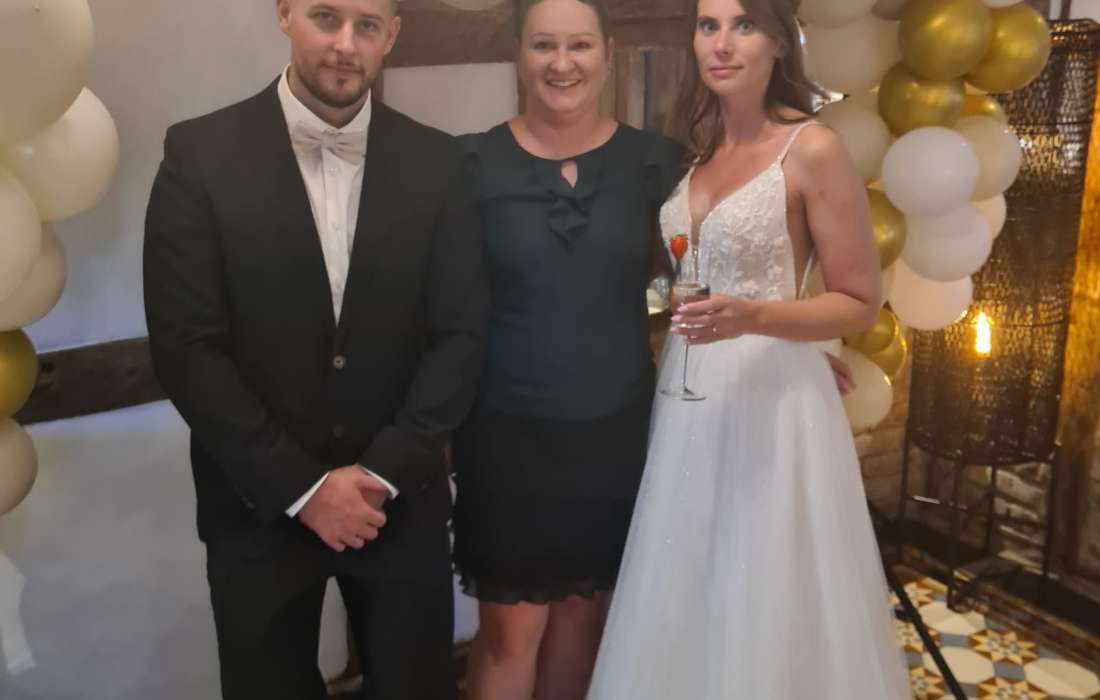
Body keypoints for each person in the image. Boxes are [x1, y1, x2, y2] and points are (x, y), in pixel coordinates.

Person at [143, 0, 486, 697]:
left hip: (397, 500)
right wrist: (302, 488)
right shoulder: (198, 154)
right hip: (257, 507)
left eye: (367, 25)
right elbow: (186, 347)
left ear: (391, 34)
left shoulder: (440, 161)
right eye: (326, 17)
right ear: (284, 13)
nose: (345, 44)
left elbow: (461, 333)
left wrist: (382, 471)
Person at [586, 0, 912, 697]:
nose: (722, 43)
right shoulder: (696, 148)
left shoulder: (812, 149)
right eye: (708, 26)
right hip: (687, 388)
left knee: (761, 576)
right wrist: (666, 304)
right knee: (685, 571)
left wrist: (758, 320)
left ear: (779, 43)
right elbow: (671, 279)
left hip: (771, 406)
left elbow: (859, 298)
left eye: (744, 25)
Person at [449, 1, 685, 698]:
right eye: (543, 45)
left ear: (607, 52)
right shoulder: (468, 163)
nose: (562, 63)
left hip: (615, 431)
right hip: (506, 434)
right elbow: (439, 304)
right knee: (509, 633)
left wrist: (786, 346)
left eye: (578, 45)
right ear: (517, 53)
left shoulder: (656, 162)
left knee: (585, 616)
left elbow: (711, 273)